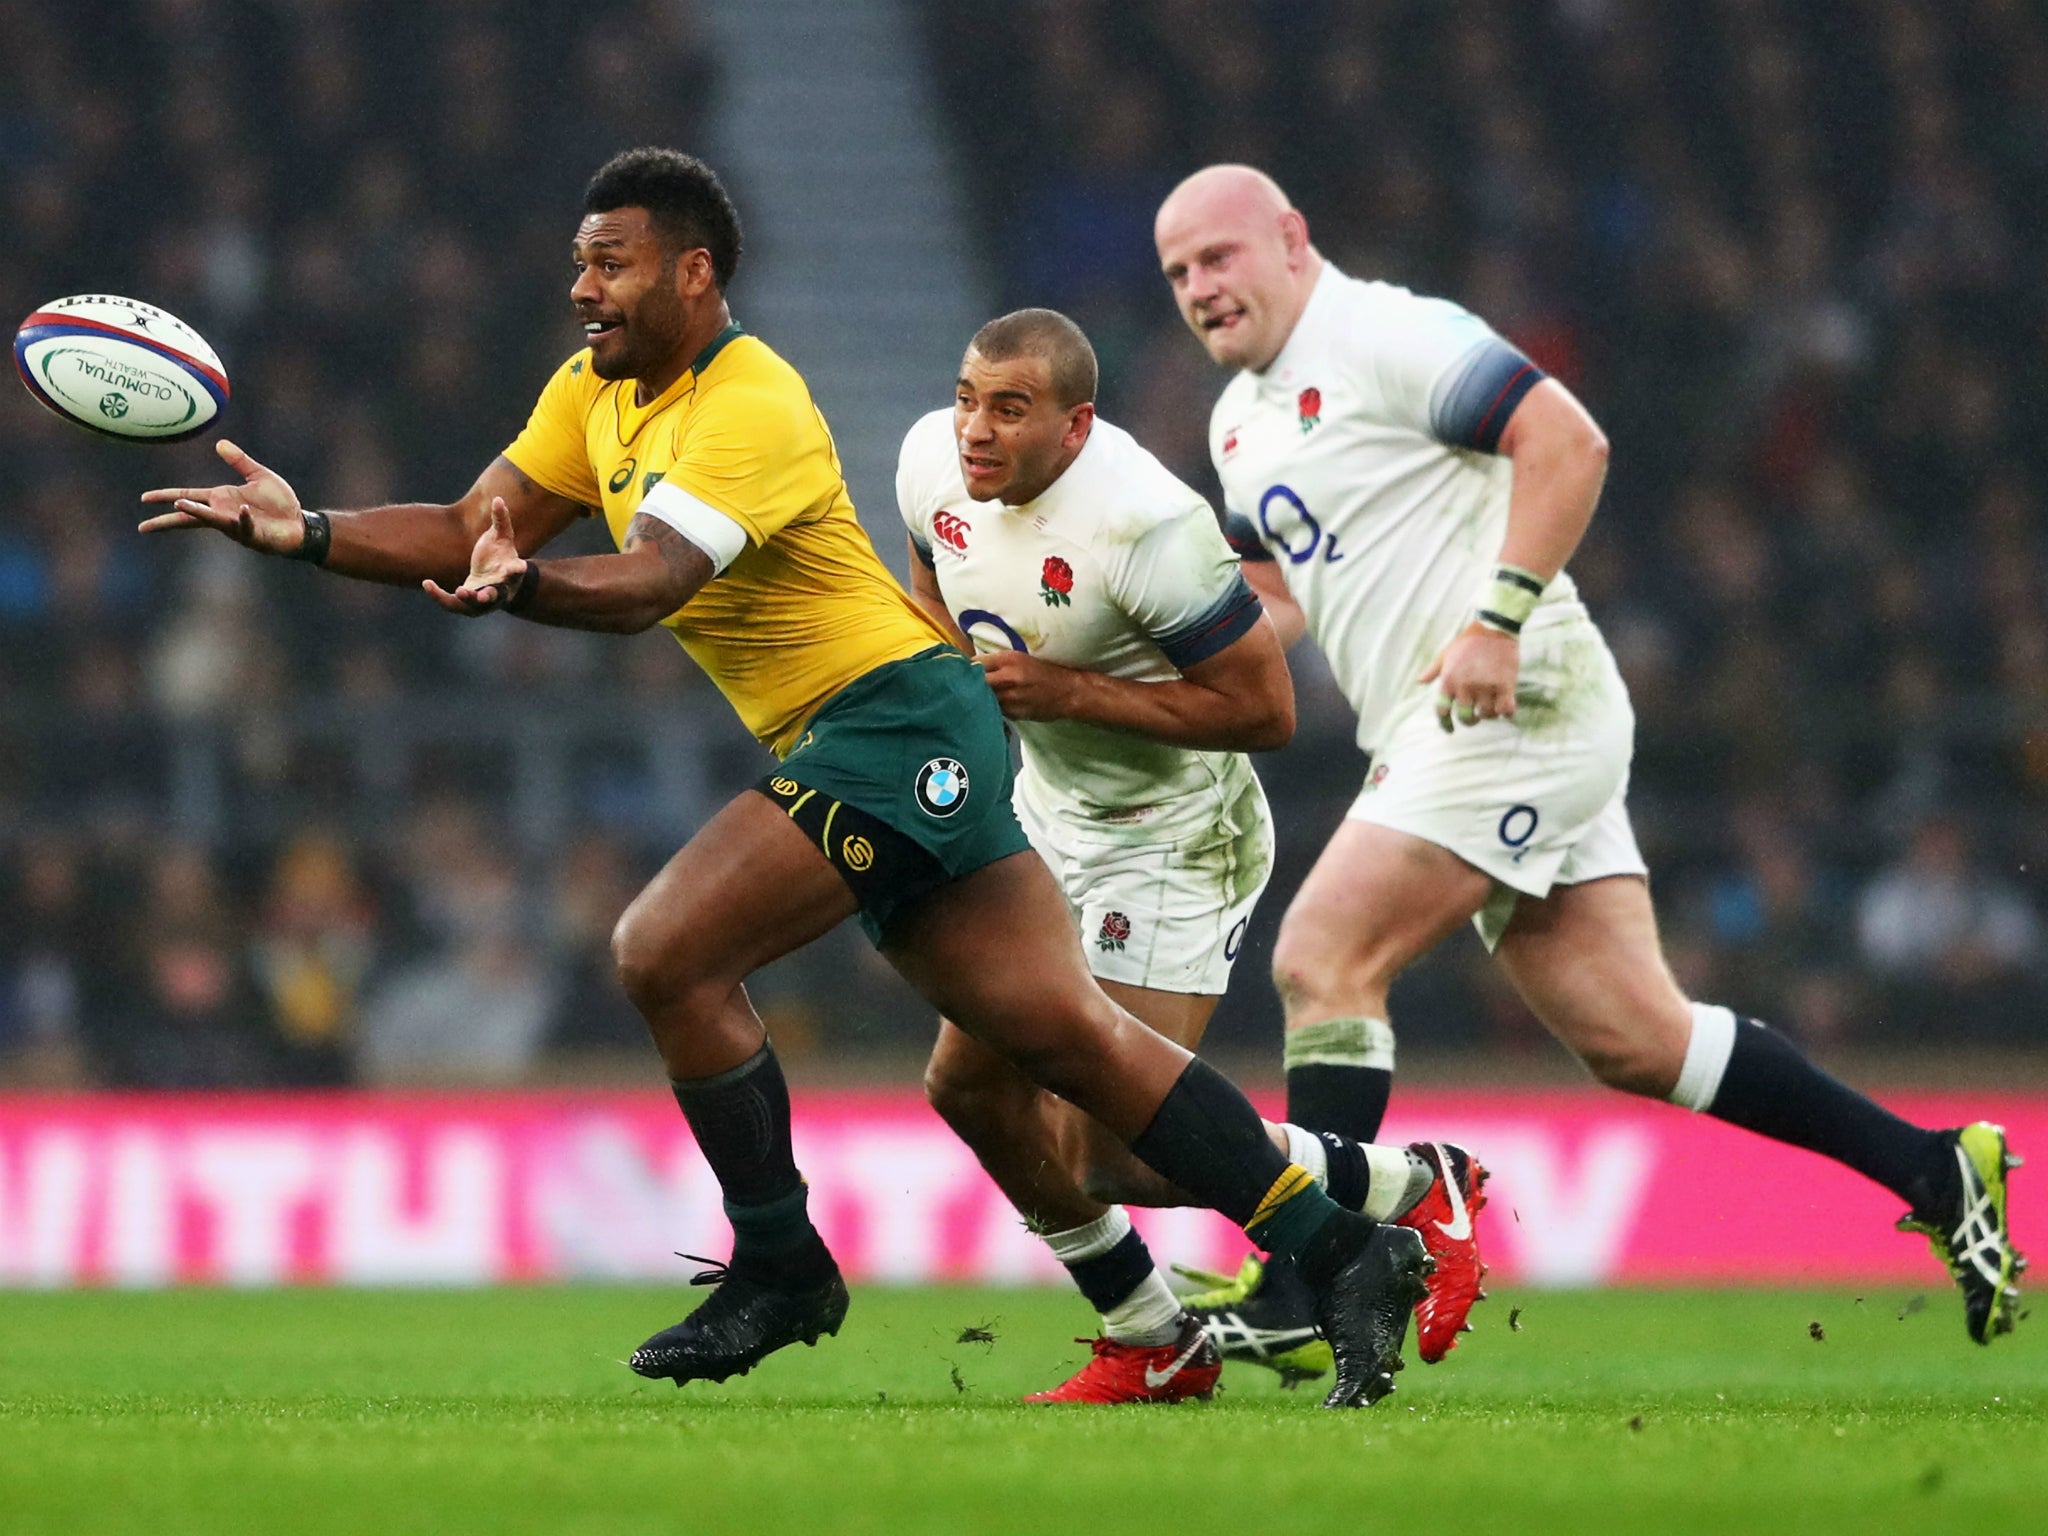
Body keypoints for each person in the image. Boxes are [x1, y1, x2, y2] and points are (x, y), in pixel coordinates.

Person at [139, 147, 1431, 1408]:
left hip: (895, 724)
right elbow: (468, 528)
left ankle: (783, 1263)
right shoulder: (590, 397)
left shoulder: (749, 401)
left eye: (612, 265)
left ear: (694, 275)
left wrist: (524, 585)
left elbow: (649, 584)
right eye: (579, 265)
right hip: (868, 734)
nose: (583, 289)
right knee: (1065, 1042)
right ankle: (1339, 1253)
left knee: (665, 949)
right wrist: (306, 532)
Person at [1152, 164, 2025, 1349]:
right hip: (1443, 724)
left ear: (1291, 240)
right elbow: (1272, 593)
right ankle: (1934, 1168)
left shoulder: (1387, 334)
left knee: (1321, 958)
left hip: (1516, 697)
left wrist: (1496, 617)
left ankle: (1318, 1279)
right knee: (1635, 1038)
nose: (1199, 288)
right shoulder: (1237, 422)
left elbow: (1566, 438)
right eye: (1177, 274)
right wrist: (1157, 675)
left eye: (1218, 257)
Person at [899, 308, 1488, 1399]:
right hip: (1046, 814)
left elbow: (1263, 709)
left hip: (1171, 836)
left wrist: (1066, 692)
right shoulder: (930, 463)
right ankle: (1150, 1337)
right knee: (968, 1088)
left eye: (1008, 410)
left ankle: (1413, 1183)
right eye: (966, 398)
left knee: (1112, 1154)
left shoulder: (1143, 525)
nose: (973, 430)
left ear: (1075, 426)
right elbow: (931, 573)